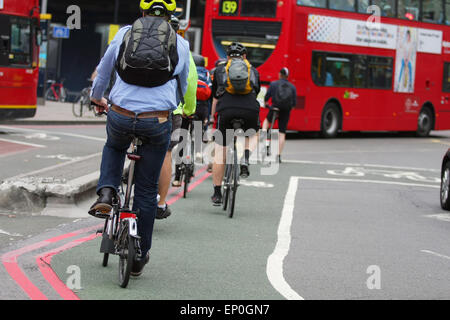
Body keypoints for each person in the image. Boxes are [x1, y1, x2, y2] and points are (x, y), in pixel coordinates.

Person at [89, 0, 190, 277]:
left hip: (120, 113)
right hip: (156, 120)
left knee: (114, 144)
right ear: (171, 16)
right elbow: (183, 84)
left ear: (142, 12)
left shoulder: (123, 33)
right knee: (146, 192)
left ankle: (107, 192)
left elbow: (105, 69)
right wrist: (174, 105)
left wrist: (97, 98)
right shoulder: (180, 44)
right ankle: (140, 255)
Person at [210, 42, 261, 206]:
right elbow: (256, 91)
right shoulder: (253, 70)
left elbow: (215, 95)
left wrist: (212, 116)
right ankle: (245, 158)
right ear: (244, 56)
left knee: (220, 151)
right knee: (252, 134)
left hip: (226, 110)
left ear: (227, 57)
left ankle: (217, 194)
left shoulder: (219, 70)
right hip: (249, 109)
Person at [157, 15, 198, 219]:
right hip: (170, 110)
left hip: (135, 108)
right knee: (165, 153)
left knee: (134, 144)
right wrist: (188, 109)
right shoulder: (182, 46)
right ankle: (160, 203)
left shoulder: (138, 37)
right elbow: (190, 84)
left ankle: (125, 184)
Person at [262, 67, 297, 163]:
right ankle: (278, 155)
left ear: (280, 74)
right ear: (287, 76)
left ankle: (265, 137)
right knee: (282, 133)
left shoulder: (273, 84)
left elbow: (267, 97)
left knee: (266, 122)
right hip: (285, 111)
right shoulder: (292, 87)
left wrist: (266, 103)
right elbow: (294, 104)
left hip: (274, 109)